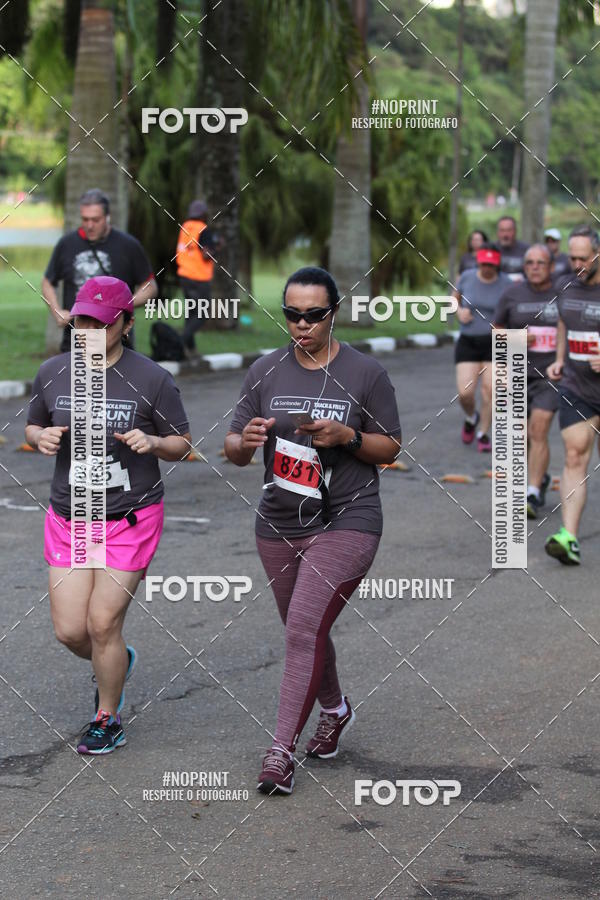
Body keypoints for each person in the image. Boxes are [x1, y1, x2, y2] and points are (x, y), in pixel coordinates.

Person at [224, 267, 401, 795]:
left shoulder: (365, 373)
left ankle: (280, 752)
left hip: (349, 517)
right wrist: (245, 441)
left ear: (334, 313)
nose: (302, 325)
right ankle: (335, 709)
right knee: (307, 628)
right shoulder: (265, 371)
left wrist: (349, 437)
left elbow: (390, 447)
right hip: (279, 522)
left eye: (313, 315)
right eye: (292, 314)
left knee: (302, 628)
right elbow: (233, 450)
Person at [26, 276, 191, 753]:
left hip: (129, 518)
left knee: (102, 624)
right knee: (70, 631)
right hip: (71, 517)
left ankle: (107, 717)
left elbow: (182, 443)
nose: (90, 332)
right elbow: (33, 424)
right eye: (82, 322)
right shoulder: (53, 372)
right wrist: (40, 437)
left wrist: (154, 441)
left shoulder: (152, 379)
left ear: (127, 324)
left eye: (102, 324)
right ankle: (117, 661)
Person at [42, 188, 157, 353]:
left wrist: (123, 304)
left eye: (96, 220)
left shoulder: (129, 246)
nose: (89, 225)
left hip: (118, 344)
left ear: (108, 217)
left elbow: (150, 287)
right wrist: (57, 311)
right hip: (75, 344)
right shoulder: (66, 244)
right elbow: (47, 282)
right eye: (85, 219)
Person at [545, 225, 600, 565]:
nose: (577, 264)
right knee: (575, 455)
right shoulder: (565, 285)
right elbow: (564, 321)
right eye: (572, 257)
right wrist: (559, 359)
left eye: (584, 258)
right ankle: (568, 537)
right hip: (577, 386)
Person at [494, 244, 559, 517]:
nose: (534, 267)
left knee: (538, 429)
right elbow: (496, 331)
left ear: (551, 266)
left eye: (540, 263)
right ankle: (539, 477)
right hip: (518, 373)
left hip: (551, 376)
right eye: (529, 262)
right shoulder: (512, 294)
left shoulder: (563, 293)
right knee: (521, 436)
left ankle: (531, 493)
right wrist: (515, 339)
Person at [453, 244, 511, 451]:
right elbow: (453, 299)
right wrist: (459, 312)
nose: (487, 268)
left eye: (491, 264)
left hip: (495, 343)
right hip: (468, 341)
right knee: (465, 393)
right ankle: (471, 417)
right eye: (484, 263)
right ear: (478, 261)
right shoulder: (467, 277)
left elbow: (514, 310)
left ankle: (483, 433)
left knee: (491, 391)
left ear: (497, 264)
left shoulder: (507, 283)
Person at [175, 199, 222, 352]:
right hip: (199, 279)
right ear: (204, 215)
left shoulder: (185, 227)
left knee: (191, 313)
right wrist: (218, 247)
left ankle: (190, 349)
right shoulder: (203, 229)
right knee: (203, 314)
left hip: (184, 276)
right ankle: (180, 341)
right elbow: (206, 255)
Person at [496, 215, 529, 281]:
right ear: (498, 232)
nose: (505, 235)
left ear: (515, 231)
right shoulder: (491, 250)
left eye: (509, 230)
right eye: (502, 230)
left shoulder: (527, 250)